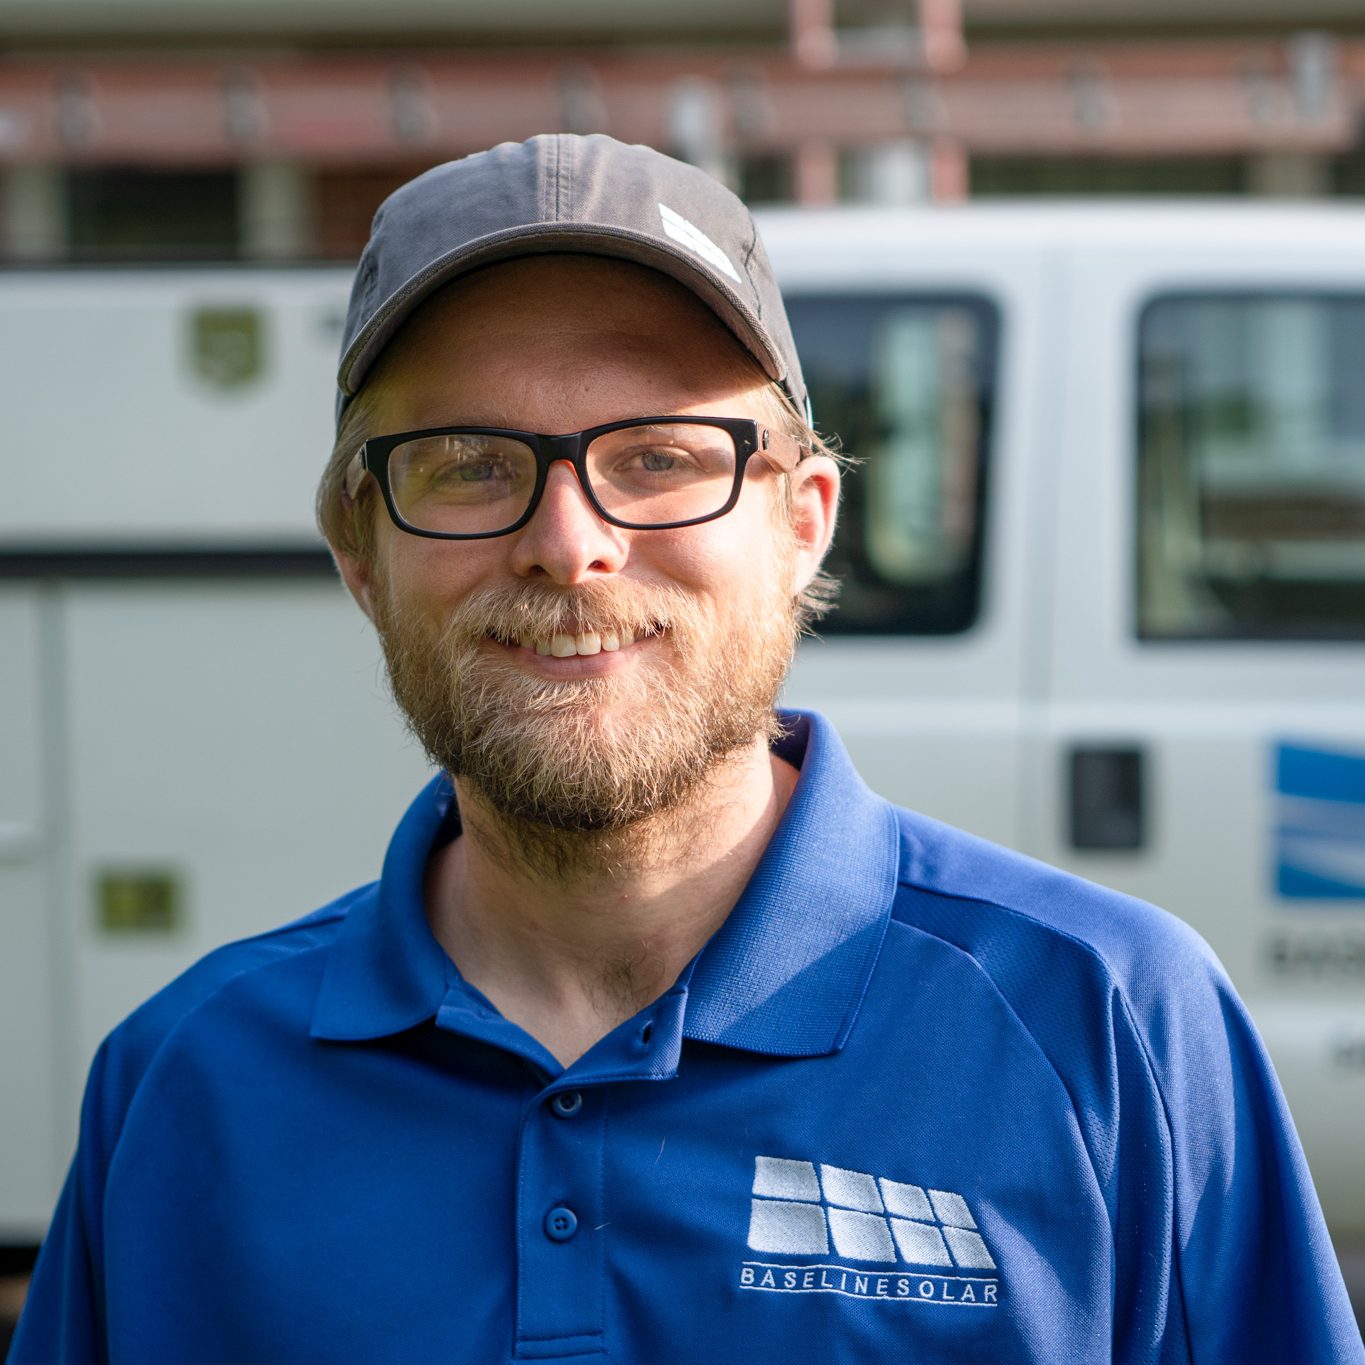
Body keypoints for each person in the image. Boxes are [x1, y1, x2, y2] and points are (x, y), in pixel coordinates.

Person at [11, 134, 1362, 1364]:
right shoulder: (185, 1087)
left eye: (658, 456)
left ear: (804, 520)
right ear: (361, 554)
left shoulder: (1110, 1026)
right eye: (470, 463)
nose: (570, 541)